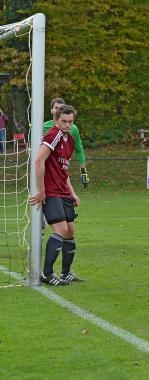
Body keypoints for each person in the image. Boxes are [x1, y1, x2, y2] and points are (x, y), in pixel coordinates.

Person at [30, 105, 82, 286]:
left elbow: (64, 170)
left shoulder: (70, 139)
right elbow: (38, 160)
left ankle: (66, 272)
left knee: (70, 232)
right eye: (64, 121)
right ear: (56, 121)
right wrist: (42, 190)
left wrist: (72, 193)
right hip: (52, 192)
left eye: (70, 122)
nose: (67, 125)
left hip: (63, 192)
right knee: (60, 230)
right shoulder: (54, 135)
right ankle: (46, 274)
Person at [43, 98, 89, 188]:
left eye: (61, 108)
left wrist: (83, 172)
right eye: (56, 108)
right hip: (47, 167)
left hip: (63, 166)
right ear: (51, 110)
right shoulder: (43, 127)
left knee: (67, 193)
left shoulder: (73, 129)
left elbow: (79, 150)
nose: (58, 110)